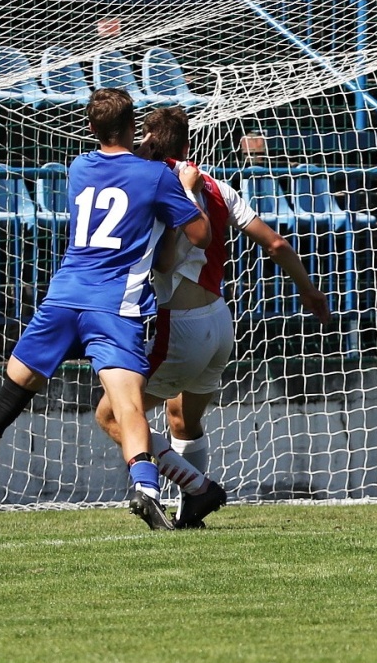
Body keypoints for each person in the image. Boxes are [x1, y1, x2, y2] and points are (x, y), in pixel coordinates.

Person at [0, 88, 211, 531]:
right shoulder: (156, 178)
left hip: (62, 301)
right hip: (114, 307)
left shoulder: (79, 167)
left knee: (5, 402)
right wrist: (182, 193)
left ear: (91, 129)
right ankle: (146, 490)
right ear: (133, 128)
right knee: (127, 407)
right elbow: (201, 233)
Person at [92, 106, 333, 528]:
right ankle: (191, 516)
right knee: (184, 418)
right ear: (188, 146)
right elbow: (275, 243)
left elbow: (161, 261)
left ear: (146, 142)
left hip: (179, 325)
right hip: (220, 323)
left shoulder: (151, 186)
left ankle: (198, 487)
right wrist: (309, 290)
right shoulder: (220, 188)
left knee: (112, 414)